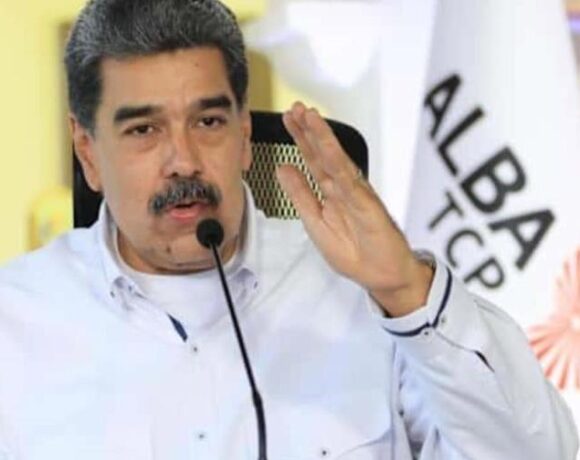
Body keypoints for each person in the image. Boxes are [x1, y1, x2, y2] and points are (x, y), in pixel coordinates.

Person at [0, 0, 576, 458]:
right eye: (144, 130)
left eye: (208, 121)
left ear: (245, 135)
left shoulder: (365, 291)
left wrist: (407, 293)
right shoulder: (16, 322)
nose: (184, 161)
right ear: (87, 152)